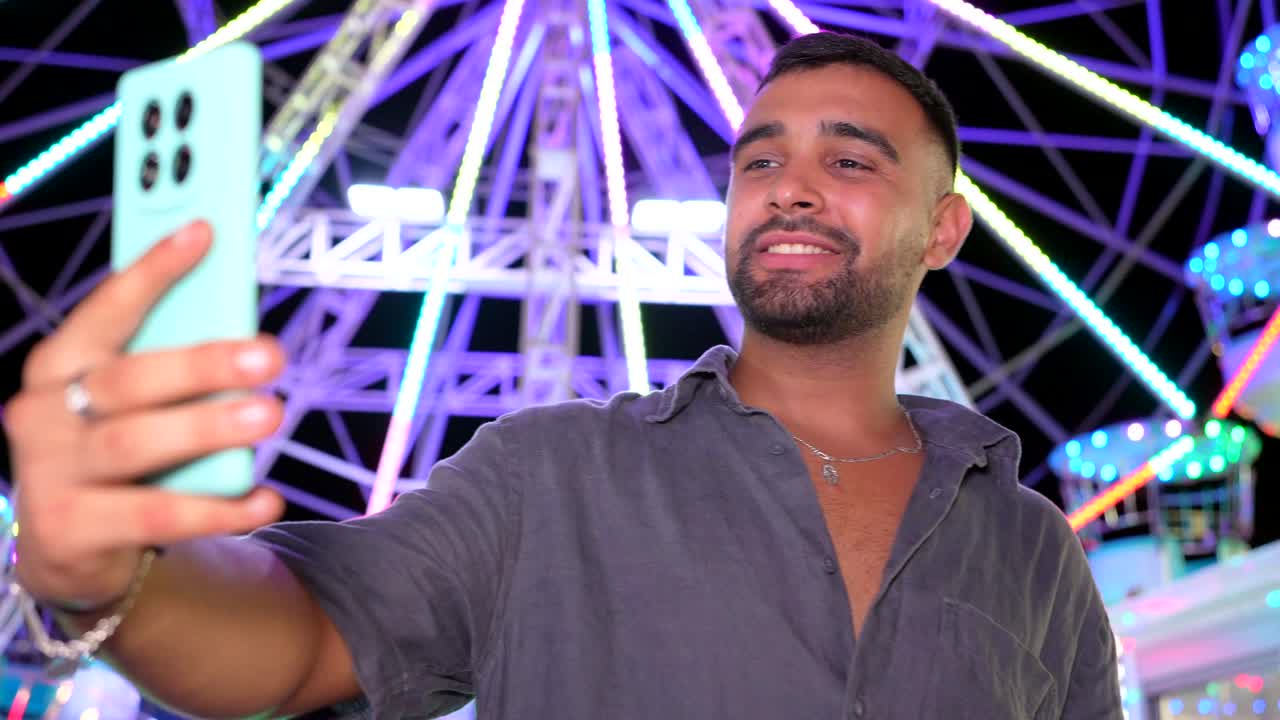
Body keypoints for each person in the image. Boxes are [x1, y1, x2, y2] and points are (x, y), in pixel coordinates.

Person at [6, 31, 1122, 719]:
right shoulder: (549, 478)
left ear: (942, 231)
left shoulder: (1028, 550)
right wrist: (112, 580)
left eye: (847, 160)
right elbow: (298, 639)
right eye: (759, 160)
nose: (787, 186)